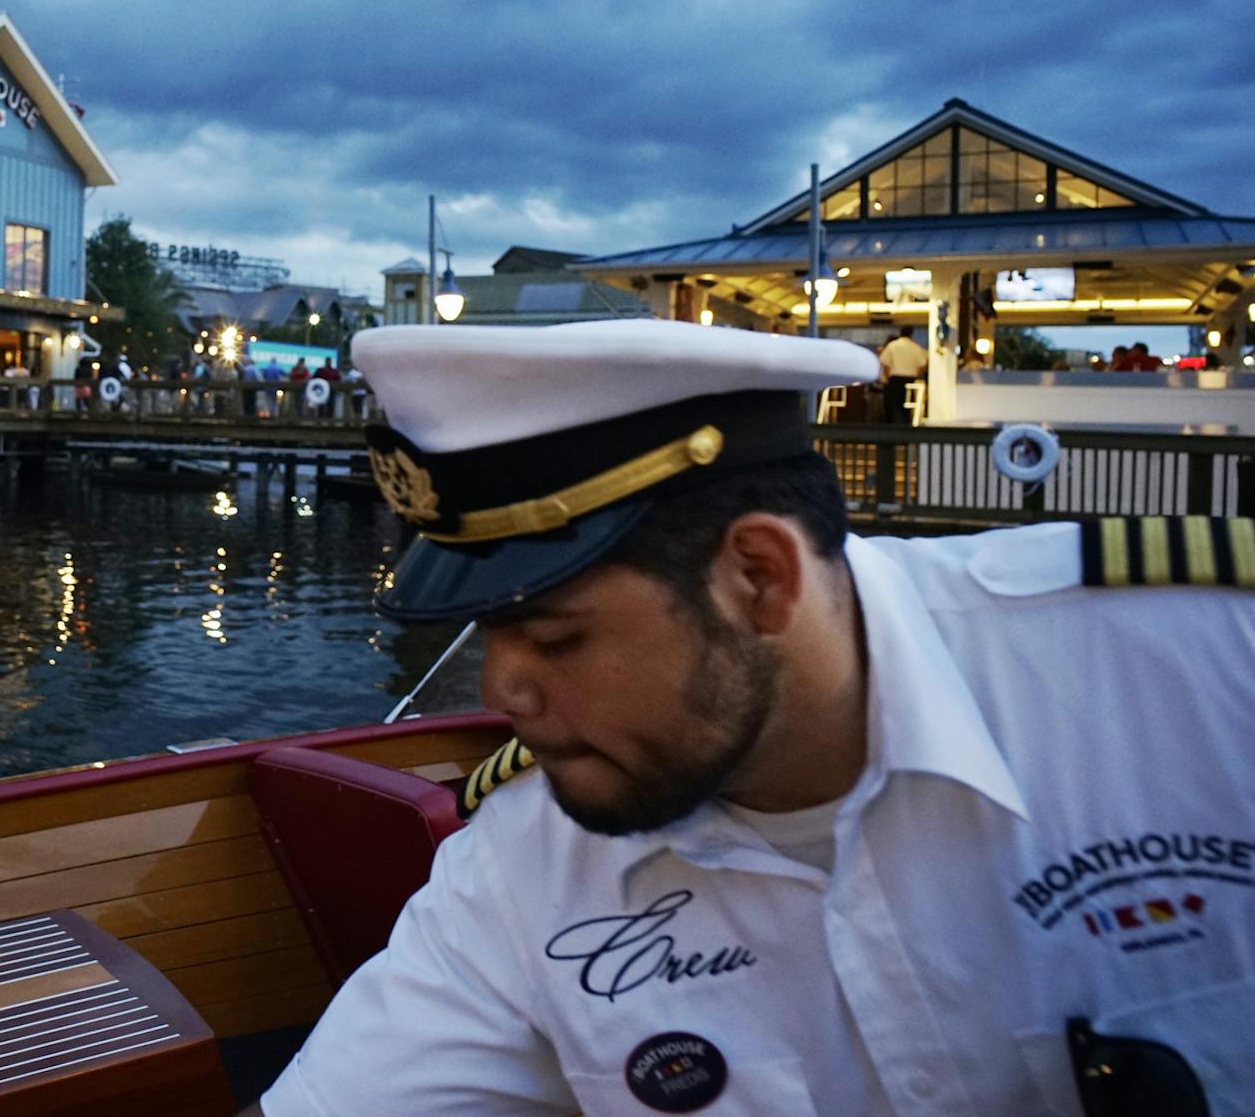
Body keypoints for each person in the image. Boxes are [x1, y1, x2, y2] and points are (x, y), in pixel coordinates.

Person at [250, 319, 1255, 1117]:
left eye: (554, 638)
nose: (500, 694)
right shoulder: (524, 859)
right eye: (488, 634)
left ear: (760, 576)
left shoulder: (1211, 665)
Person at [876, 324, 928, 423]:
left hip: (895, 379)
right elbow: (922, 365)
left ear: (900, 332)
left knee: (894, 406)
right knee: (907, 406)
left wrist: (887, 379)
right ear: (911, 334)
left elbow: (885, 363)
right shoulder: (916, 347)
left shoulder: (893, 346)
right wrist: (916, 375)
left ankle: (894, 427)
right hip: (910, 380)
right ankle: (906, 426)